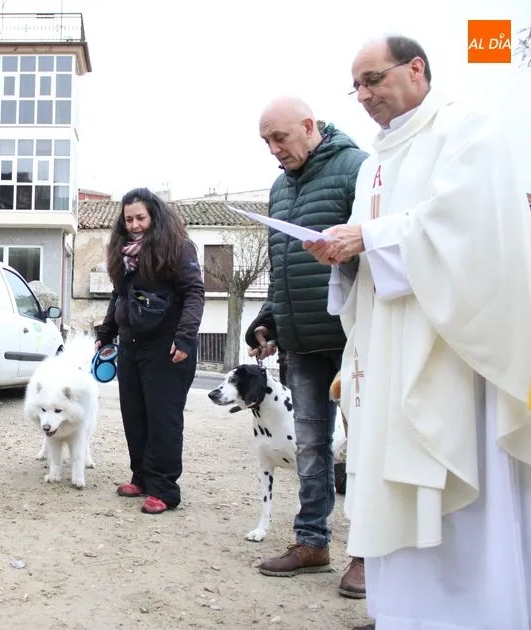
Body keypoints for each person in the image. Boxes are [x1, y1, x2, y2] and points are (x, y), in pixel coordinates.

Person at [304, 35, 531, 629]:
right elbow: (367, 241)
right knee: (393, 486)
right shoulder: (375, 161)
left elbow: (473, 225)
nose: (363, 94)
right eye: (355, 85)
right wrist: (342, 250)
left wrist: (369, 239)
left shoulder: (468, 129)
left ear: (416, 68)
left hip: (451, 351)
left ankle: (477, 616)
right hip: (386, 348)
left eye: (373, 79)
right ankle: (406, 614)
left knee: (458, 491)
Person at [250, 96, 369, 598]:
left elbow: (374, 247)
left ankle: (366, 554)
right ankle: (312, 542)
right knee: (310, 448)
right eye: (266, 142)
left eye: (280, 138)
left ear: (308, 126)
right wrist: (269, 319)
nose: (274, 150)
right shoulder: (279, 189)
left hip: (353, 336)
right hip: (300, 340)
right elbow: (282, 266)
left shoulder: (356, 169)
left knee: (363, 448)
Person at [94, 188, 204, 514]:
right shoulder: (124, 253)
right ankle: (141, 477)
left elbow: (194, 293)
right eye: (128, 219)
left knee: (163, 419)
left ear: (154, 216)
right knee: (135, 416)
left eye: (140, 217)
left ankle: (165, 490)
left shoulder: (178, 247)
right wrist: (106, 333)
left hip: (167, 346)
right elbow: (120, 297)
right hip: (130, 345)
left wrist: (184, 338)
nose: (135, 224)